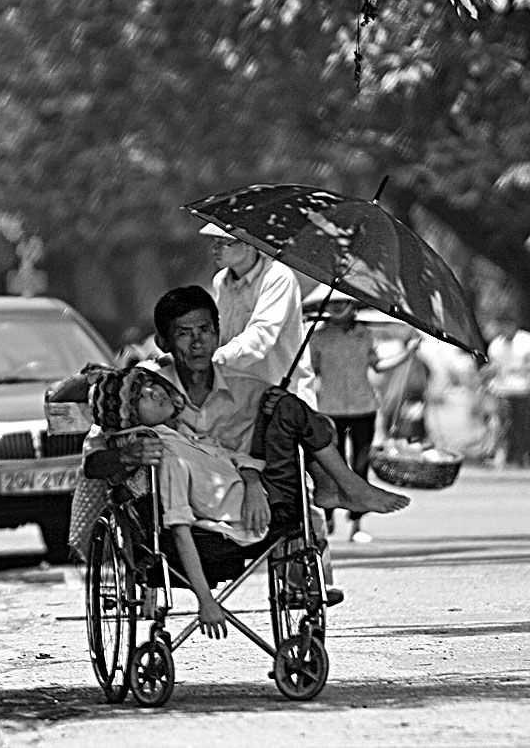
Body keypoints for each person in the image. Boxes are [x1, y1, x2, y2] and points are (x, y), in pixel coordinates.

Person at [83, 286, 410, 636]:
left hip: (256, 502)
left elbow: (240, 452)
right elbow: (93, 461)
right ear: (164, 342)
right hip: (184, 517)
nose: (197, 343)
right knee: (285, 413)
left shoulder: (245, 390)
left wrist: (254, 482)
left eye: (205, 331)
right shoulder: (142, 391)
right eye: (183, 334)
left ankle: (342, 487)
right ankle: (344, 487)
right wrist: (126, 454)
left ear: (218, 333)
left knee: (285, 406)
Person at [309, 295, 420, 543]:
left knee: (360, 466)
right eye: (333, 304)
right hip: (330, 408)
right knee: (331, 466)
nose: (337, 308)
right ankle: (327, 517)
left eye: (342, 303)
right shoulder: (318, 337)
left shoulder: (364, 335)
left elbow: (378, 366)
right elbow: (310, 370)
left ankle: (357, 523)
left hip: (363, 408)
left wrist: (407, 354)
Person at [202, 223, 318, 408]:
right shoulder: (221, 281)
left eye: (226, 242)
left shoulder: (278, 277)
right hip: (239, 396)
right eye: (215, 241)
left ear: (250, 244)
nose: (216, 248)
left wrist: (216, 358)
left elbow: (261, 335)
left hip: (282, 396)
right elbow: (220, 333)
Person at [483, 312, 530, 467]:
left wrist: (525, 373)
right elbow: (494, 367)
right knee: (505, 424)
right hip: (503, 390)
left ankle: (525, 456)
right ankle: (507, 455)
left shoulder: (527, 341)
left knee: (523, 424)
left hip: (523, 389)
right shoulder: (496, 345)